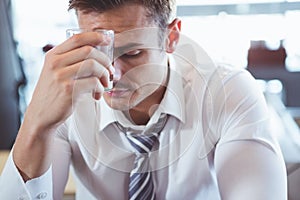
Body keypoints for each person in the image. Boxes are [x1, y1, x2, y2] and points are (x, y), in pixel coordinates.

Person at [0, 0, 287, 199]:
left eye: (132, 53)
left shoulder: (227, 92)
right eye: (97, 49)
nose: (111, 73)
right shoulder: (70, 97)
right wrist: (37, 123)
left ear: (171, 37)